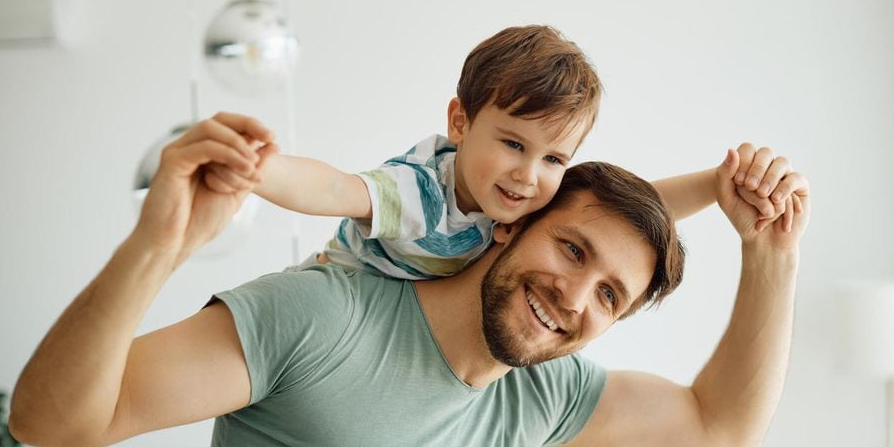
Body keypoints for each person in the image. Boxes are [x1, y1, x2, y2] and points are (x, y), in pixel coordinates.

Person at [9, 112, 809, 447]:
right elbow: (50, 421)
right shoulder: (320, 317)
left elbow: (720, 427)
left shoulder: (541, 393)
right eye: (570, 249)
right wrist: (156, 249)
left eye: (610, 296)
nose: (574, 296)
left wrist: (770, 253)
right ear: (507, 224)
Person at [233, 25, 794, 280]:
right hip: (332, 286)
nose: (529, 175)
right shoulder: (420, 191)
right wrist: (257, 167)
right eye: (512, 143)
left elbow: (636, 208)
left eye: (554, 159)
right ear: (460, 122)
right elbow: (334, 188)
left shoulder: (523, 199)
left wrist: (718, 186)